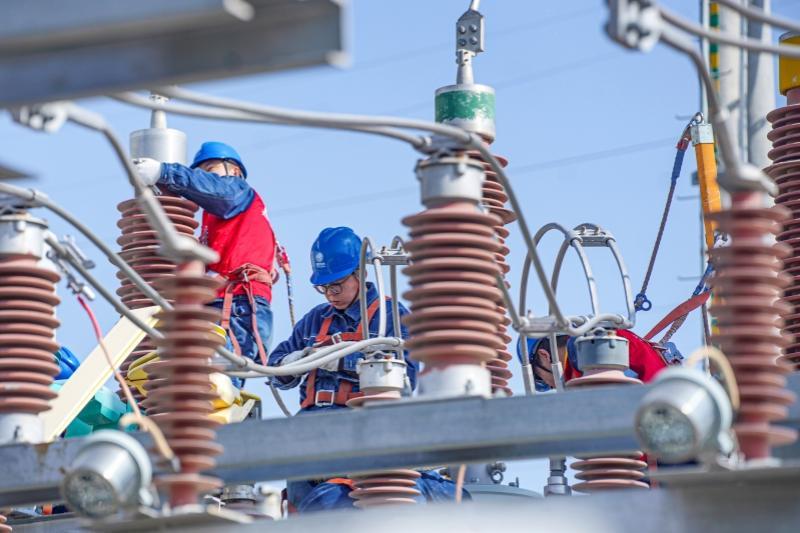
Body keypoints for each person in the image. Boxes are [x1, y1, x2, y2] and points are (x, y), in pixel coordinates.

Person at [268, 226, 419, 511]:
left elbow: (406, 377)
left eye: (336, 285)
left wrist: (341, 360)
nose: (330, 295)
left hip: (358, 427)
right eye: (323, 287)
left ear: (360, 273)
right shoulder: (316, 319)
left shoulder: (390, 316)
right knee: (301, 513)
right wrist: (295, 361)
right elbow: (274, 369)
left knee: (341, 507)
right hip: (306, 429)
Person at [132, 142, 276, 371]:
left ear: (234, 171)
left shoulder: (238, 191)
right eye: (200, 172)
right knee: (205, 376)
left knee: (219, 376)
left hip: (237, 304)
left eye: (209, 170)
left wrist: (165, 172)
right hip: (221, 303)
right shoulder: (218, 221)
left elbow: (216, 190)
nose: (204, 177)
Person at [519, 329, 669, 390]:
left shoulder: (589, 354)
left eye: (543, 380)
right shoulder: (600, 340)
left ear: (544, 356)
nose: (553, 387)